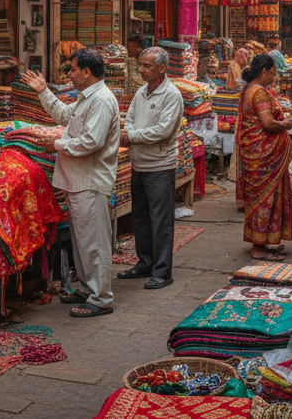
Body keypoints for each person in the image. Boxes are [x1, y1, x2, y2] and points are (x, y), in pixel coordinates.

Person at [19, 48, 120, 317]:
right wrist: (43, 91)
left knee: (94, 243)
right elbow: (65, 116)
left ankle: (101, 299)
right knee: (83, 241)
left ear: (86, 72)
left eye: (73, 69)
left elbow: (92, 141)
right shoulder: (88, 97)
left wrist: (56, 144)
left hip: (90, 180)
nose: (70, 74)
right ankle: (88, 289)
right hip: (79, 180)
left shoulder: (101, 100)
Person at [118, 47, 183, 290]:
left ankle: (163, 271)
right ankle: (145, 263)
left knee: (161, 219)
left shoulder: (172, 95)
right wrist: (130, 134)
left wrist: (131, 136)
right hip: (139, 163)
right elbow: (129, 119)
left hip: (159, 165)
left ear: (162, 68)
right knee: (141, 217)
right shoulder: (141, 92)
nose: (141, 70)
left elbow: (163, 131)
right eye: (140, 65)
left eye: (147, 66)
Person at [237, 54, 292, 262]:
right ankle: (259, 247)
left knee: (263, 197)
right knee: (265, 198)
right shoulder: (259, 93)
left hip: (256, 154)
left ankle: (265, 240)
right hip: (263, 155)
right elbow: (268, 124)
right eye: (272, 72)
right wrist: (287, 124)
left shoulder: (247, 90)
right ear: (264, 71)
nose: (273, 76)